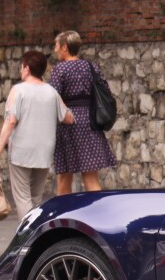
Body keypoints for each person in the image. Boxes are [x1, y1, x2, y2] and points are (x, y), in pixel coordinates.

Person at [0, 50, 74, 217]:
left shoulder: (18, 91)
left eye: (21, 67)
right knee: (36, 197)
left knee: (23, 197)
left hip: (22, 150)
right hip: (44, 151)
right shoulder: (52, 92)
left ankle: (28, 236)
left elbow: (10, 121)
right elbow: (68, 117)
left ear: (26, 69)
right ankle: (37, 232)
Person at [49, 30, 117, 195]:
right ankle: (97, 212)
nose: (55, 49)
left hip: (69, 122)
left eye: (57, 45)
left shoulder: (60, 69)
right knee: (91, 176)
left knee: (65, 176)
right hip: (89, 120)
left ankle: (63, 213)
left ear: (65, 47)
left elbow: (52, 97)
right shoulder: (90, 66)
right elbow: (104, 89)